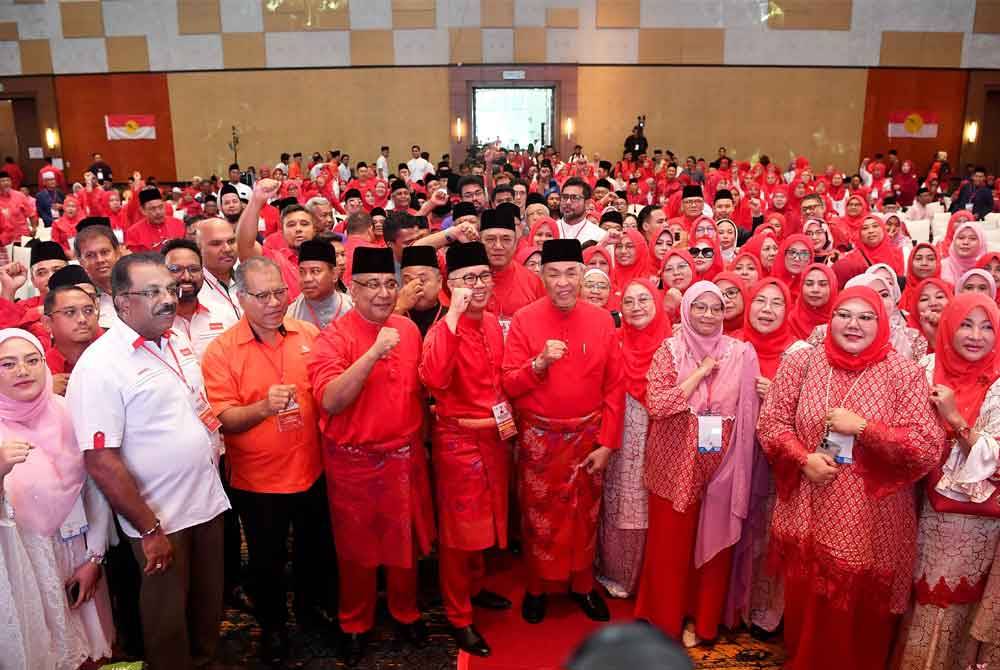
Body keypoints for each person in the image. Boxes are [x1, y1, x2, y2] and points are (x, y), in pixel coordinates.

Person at [757, 286, 944, 670]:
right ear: (830, 319)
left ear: (882, 322)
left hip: (869, 517)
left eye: (866, 317)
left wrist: (865, 428)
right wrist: (802, 457)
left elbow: (925, 446)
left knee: (855, 621)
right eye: (844, 315)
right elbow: (772, 421)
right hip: (808, 505)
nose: (853, 325)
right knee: (806, 604)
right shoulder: (803, 363)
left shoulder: (903, 374)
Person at [66, 252, 231, 670]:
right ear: (122, 303)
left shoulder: (174, 339)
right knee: (167, 624)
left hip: (206, 502)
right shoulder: (101, 365)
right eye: (152, 292)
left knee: (207, 608)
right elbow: (101, 460)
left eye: (170, 289)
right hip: (160, 517)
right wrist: (149, 528)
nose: (167, 299)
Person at [202, 256, 335, 664]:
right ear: (241, 298)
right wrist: (263, 408)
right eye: (262, 296)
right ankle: (273, 627)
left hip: (313, 471)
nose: (275, 302)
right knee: (267, 561)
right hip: (259, 482)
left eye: (280, 292)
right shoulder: (221, 351)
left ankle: (312, 611)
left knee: (315, 551)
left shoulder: (308, 333)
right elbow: (225, 420)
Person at [307, 246, 434, 666]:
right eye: (371, 285)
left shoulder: (408, 329)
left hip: (404, 456)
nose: (382, 293)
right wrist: (374, 352)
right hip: (354, 463)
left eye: (389, 284)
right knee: (357, 552)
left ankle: (406, 611)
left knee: (404, 547)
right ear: (353, 288)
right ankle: (355, 622)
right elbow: (331, 399)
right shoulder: (333, 336)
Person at [502, 238, 624, 625]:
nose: (563, 282)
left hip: (588, 435)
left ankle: (583, 585)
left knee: (585, 517)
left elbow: (615, 387)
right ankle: (537, 588)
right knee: (539, 520)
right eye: (553, 274)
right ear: (542, 277)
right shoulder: (524, 320)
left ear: (582, 276)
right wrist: (538, 364)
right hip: (540, 438)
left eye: (571, 273)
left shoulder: (603, 319)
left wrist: (608, 442)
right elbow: (509, 383)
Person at [636, 281, 760, 646]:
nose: (707, 315)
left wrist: (738, 467)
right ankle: (664, 619)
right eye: (699, 307)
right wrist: (701, 372)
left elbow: (748, 413)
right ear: (686, 310)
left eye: (715, 308)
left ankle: (702, 620)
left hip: (724, 461)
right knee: (670, 544)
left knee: (714, 544)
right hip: (672, 459)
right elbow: (659, 404)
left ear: (726, 313)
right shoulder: (669, 350)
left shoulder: (741, 353)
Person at [418, 242, 513, 657]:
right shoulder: (443, 327)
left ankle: (475, 589)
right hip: (459, 443)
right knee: (459, 535)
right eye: (466, 279)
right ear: (448, 285)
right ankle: (458, 615)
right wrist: (454, 313)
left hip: (494, 437)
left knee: (489, 520)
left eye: (482, 277)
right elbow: (435, 380)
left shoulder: (493, 322)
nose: (476, 286)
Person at [896, 293, 1000, 668]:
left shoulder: (999, 381)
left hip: (966, 522)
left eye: (988, 326)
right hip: (909, 506)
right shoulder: (924, 367)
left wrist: (956, 421)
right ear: (949, 327)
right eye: (966, 324)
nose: (976, 335)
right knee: (911, 598)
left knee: (946, 605)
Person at [0, 328, 115, 667]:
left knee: (87, 645)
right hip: (27, 562)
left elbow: (98, 488)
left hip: (79, 549)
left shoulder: (67, 411)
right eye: (7, 364)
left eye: (32, 360)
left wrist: (94, 559)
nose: (23, 371)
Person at [597, 279, 670, 599]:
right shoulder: (613, 342)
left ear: (657, 304)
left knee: (650, 507)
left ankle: (648, 578)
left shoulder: (672, 346)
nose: (637, 307)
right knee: (618, 505)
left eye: (644, 300)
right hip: (618, 439)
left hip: (659, 438)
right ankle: (614, 572)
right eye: (629, 301)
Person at [481, 208, 544, 335]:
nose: (498, 246)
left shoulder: (532, 281)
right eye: (490, 239)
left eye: (506, 239)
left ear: (516, 243)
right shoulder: (466, 278)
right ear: (479, 242)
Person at [40, 281, 102, 392]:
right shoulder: (40, 373)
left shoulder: (113, 358)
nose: (82, 319)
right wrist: (43, 393)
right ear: (47, 323)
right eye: (70, 312)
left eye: (88, 311)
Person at [286, 239, 352, 329]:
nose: (307, 279)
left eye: (315, 271)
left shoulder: (352, 308)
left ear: (334, 274)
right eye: (302, 272)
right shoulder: (290, 316)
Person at [74, 223, 123, 329]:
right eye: (90, 255)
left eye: (105, 252)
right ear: (80, 261)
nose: (100, 260)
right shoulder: (80, 299)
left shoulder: (139, 286)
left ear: (118, 252)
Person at [196, 218, 243, 325]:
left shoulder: (249, 280)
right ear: (199, 248)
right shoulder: (193, 291)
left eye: (231, 241)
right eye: (216, 243)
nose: (227, 249)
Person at [396, 245, 445, 337]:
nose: (416, 286)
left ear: (439, 282)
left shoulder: (450, 318)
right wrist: (399, 308)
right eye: (408, 281)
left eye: (422, 280)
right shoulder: (394, 314)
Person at [125, 188, 184, 253]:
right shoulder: (134, 232)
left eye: (161, 207)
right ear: (143, 210)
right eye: (152, 209)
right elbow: (135, 259)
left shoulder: (179, 224)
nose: (158, 212)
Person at [788, 263, 838, 340]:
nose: (815, 290)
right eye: (809, 284)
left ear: (832, 287)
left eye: (822, 284)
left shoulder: (842, 321)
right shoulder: (790, 321)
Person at [556, 178, 605, 244]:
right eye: (564, 197)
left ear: (587, 203)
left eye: (574, 198)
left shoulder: (599, 235)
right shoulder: (548, 230)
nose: (568, 202)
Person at [941, 221, 987, 286]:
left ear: (981, 243)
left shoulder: (987, 268)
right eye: (961, 238)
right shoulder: (941, 267)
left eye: (972, 239)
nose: (965, 242)